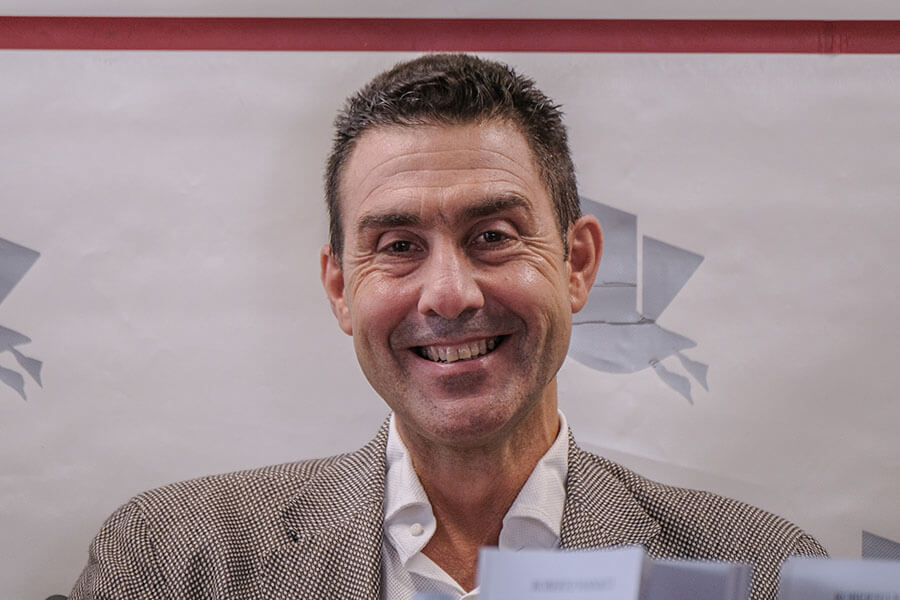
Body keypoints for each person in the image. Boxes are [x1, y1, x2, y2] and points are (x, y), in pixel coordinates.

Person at [70, 53, 825, 600]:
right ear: (341, 288)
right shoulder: (168, 563)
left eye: (493, 236)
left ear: (577, 264)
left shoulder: (763, 573)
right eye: (398, 247)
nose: (450, 294)